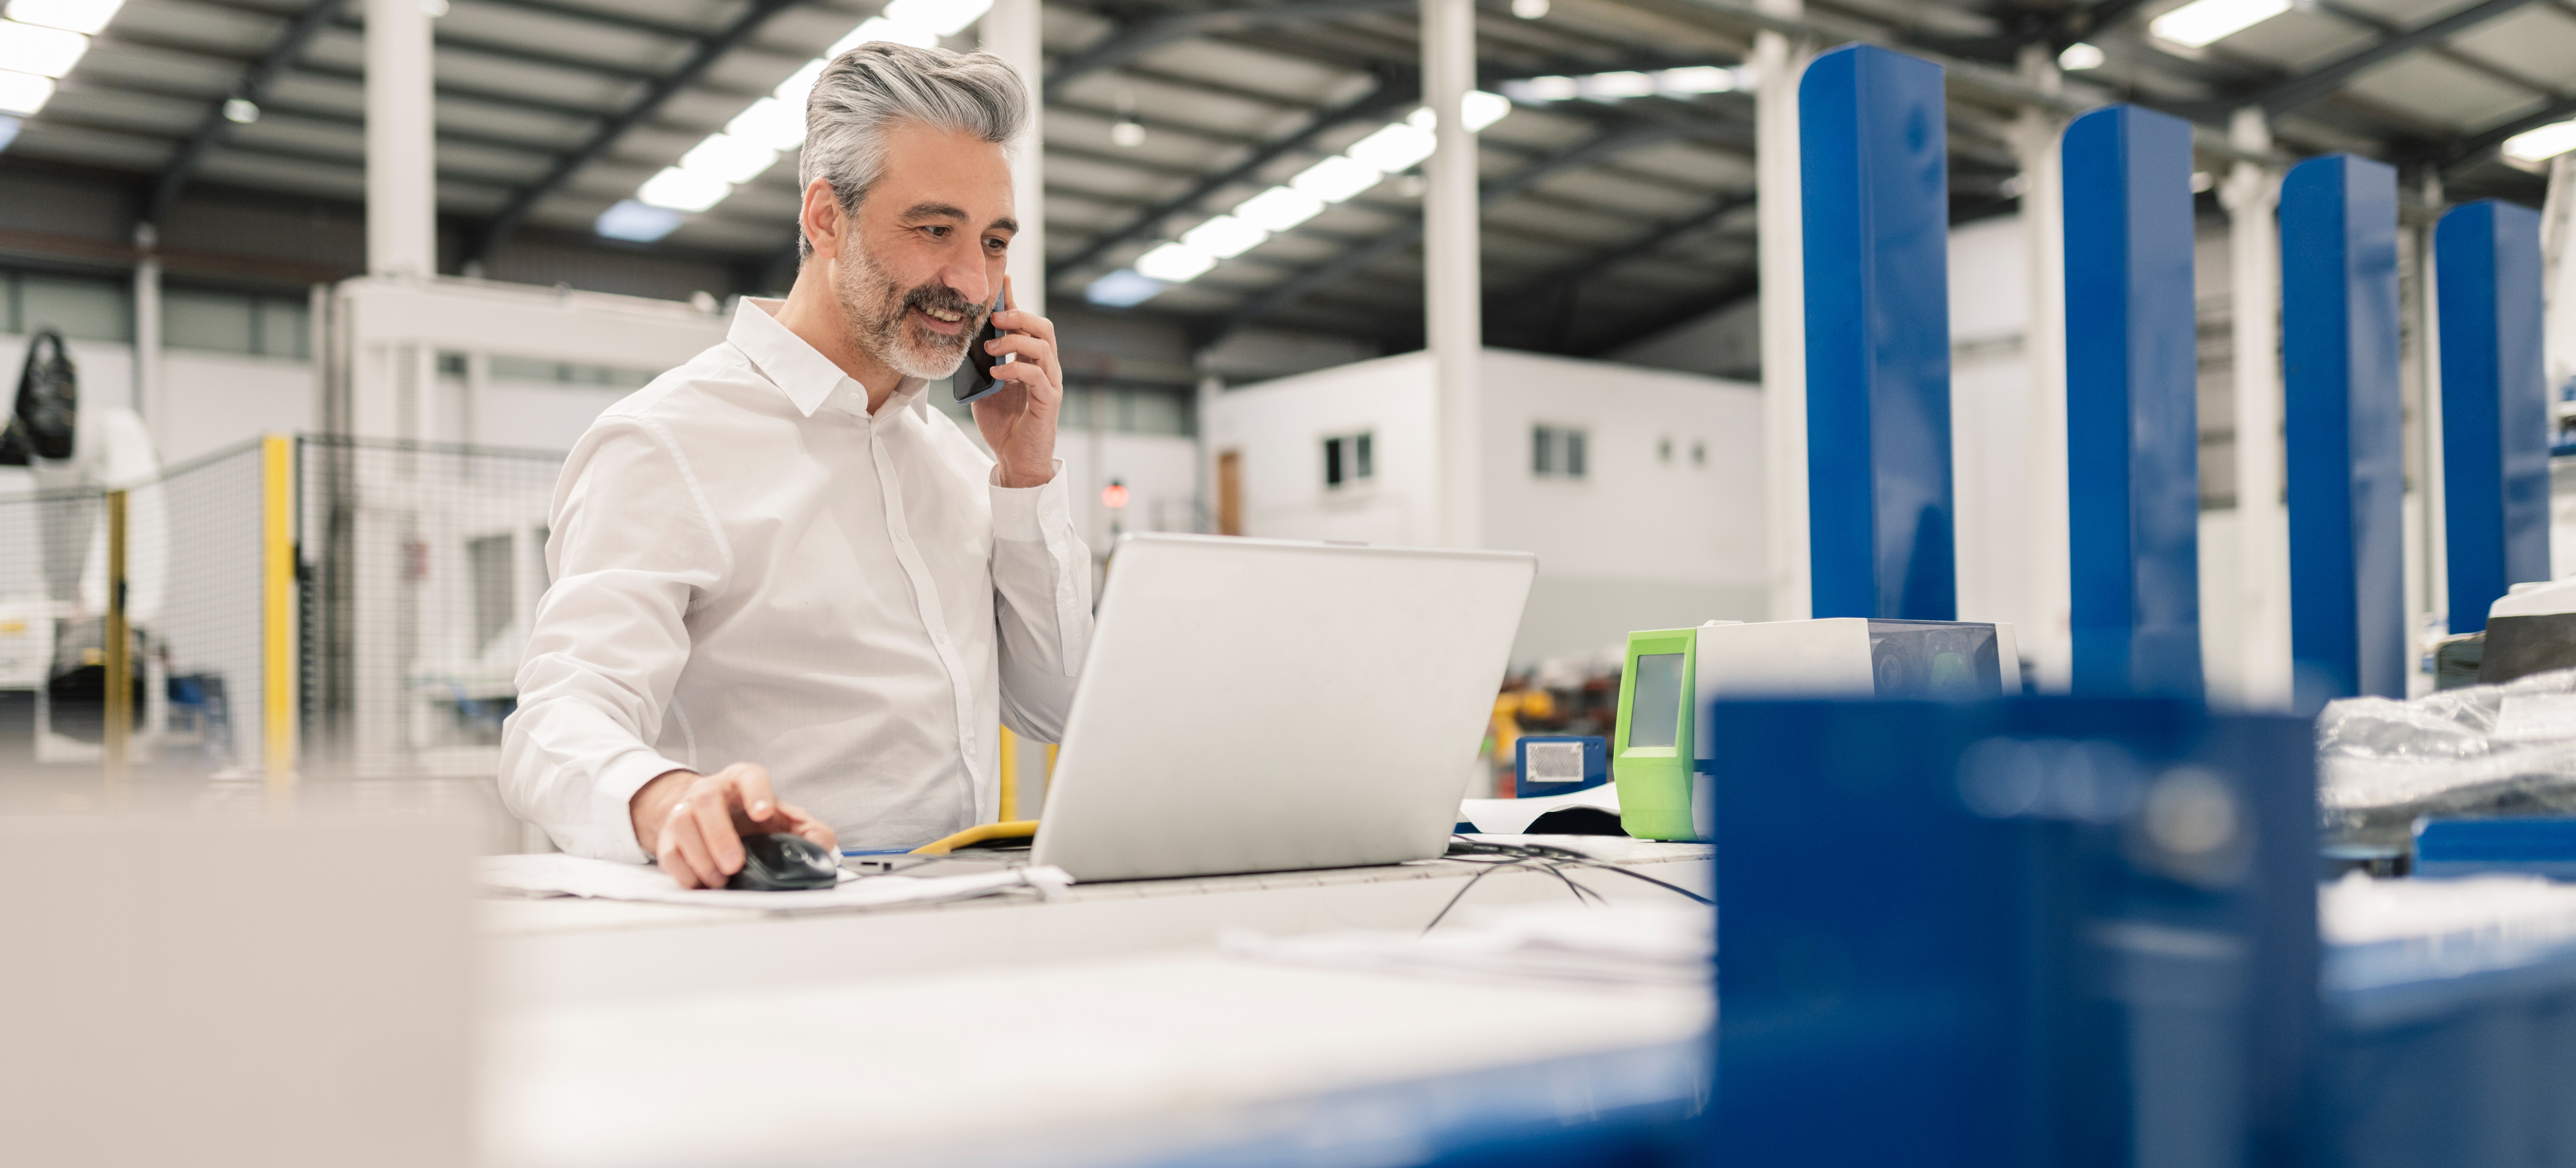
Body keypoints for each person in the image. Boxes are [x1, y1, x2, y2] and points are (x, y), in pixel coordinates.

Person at [499, 43, 1088, 888]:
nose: (970, 281)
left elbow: (1056, 706)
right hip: (768, 938)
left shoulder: (961, 467)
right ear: (825, 219)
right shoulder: (668, 443)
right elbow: (555, 722)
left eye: (993, 242)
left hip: (960, 921)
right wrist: (666, 799)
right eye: (933, 231)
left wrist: (1029, 479)